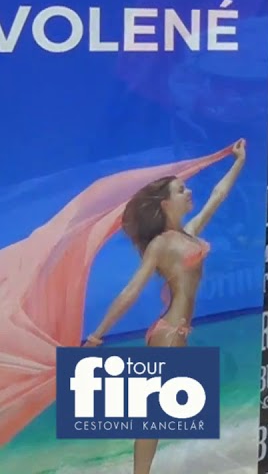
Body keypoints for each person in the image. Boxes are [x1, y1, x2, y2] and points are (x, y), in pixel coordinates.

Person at [84, 139, 246, 474]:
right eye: (181, 190)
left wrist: (238, 162)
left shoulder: (188, 234)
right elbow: (131, 290)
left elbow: (217, 196)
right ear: (165, 203)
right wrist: (97, 335)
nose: (189, 192)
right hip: (169, 332)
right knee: (154, 415)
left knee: (162, 411)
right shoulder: (160, 244)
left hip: (176, 331)